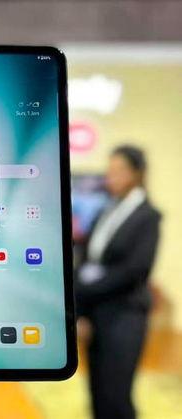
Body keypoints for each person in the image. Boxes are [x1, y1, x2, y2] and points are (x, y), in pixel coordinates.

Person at [75, 145, 161, 419]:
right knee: (97, 390)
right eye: (110, 170)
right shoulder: (107, 209)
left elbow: (135, 270)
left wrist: (84, 288)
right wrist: (81, 310)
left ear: (137, 173)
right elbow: (87, 255)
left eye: (119, 170)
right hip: (96, 312)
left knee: (117, 394)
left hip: (125, 315)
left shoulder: (147, 216)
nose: (111, 177)